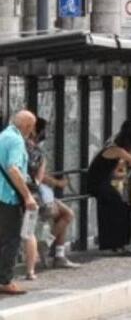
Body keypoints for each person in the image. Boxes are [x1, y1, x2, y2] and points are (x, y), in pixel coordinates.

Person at [24, 118, 80, 279]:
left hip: (29, 194)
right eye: (43, 130)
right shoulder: (33, 150)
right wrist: (58, 183)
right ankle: (48, 246)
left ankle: (56, 253)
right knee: (67, 214)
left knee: (64, 214)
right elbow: (38, 176)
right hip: (34, 196)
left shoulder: (23, 146)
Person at [87, 120, 131, 253]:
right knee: (121, 208)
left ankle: (114, 244)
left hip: (99, 182)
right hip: (99, 184)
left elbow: (109, 171)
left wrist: (123, 176)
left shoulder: (113, 149)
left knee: (113, 209)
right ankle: (120, 243)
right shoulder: (116, 150)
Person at [0, 110, 38, 295]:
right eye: (31, 127)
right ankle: (5, 281)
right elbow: (13, 169)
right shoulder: (15, 140)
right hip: (8, 196)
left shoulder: (2, 137)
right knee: (11, 239)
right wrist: (28, 196)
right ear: (27, 126)